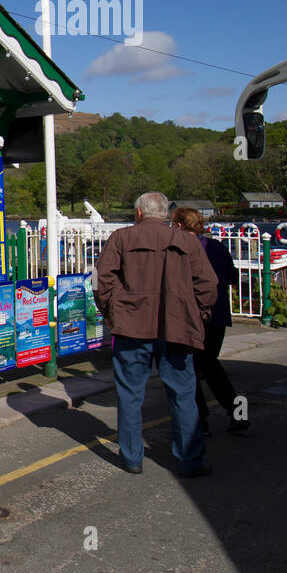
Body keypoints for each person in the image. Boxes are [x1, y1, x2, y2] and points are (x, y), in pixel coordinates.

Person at [95, 193, 218, 476]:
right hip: (176, 326)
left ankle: (131, 458)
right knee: (183, 394)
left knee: (129, 394)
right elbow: (208, 285)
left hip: (131, 326)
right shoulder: (187, 241)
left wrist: (113, 314)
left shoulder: (121, 238)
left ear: (139, 213)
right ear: (165, 214)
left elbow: (103, 281)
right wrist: (197, 314)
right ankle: (190, 460)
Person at [170, 207, 248, 435]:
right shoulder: (217, 247)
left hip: (194, 315)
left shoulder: (181, 249)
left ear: (180, 226)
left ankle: (200, 420)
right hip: (219, 314)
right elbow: (233, 277)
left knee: (190, 367)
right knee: (211, 364)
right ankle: (238, 412)